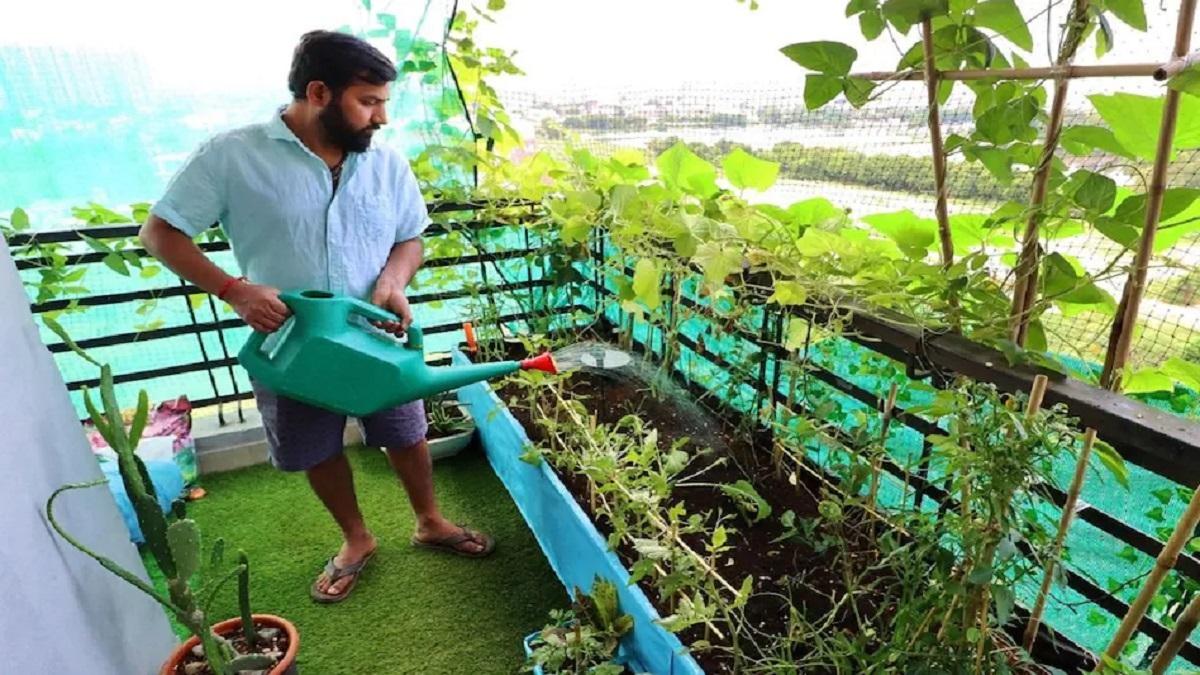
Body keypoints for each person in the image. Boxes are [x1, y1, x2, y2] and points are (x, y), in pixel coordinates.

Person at [139, 30, 495, 604]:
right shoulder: (232, 154)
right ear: (319, 92)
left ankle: (430, 520)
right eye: (369, 101)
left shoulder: (386, 162)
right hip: (290, 341)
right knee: (315, 446)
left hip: (374, 333)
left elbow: (410, 238)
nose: (381, 117)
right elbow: (160, 233)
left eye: (384, 102)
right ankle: (356, 539)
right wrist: (234, 290)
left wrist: (392, 280)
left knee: (405, 431)